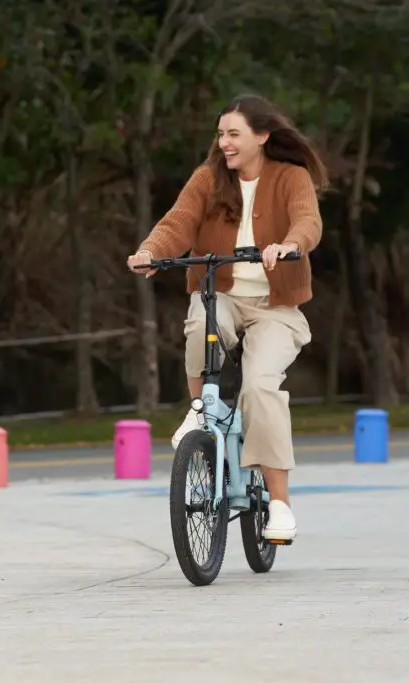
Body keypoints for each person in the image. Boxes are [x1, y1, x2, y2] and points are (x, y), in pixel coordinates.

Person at [126, 94, 327, 542]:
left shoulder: (291, 177)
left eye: (234, 134)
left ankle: (279, 504)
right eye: (221, 134)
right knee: (200, 321)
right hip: (223, 296)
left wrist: (289, 245)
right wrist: (150, 253)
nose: (225, 143)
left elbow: (307, 221)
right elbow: (177, 222)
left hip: (276, 309)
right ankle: (201, 411)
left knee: (259, 386)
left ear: (261, 136)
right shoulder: (207, 179)